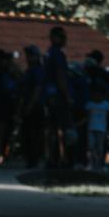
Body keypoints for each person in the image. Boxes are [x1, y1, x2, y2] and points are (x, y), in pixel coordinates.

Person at [43, 26, 71, 167]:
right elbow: (61, 77)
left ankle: (51, 157)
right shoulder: (58, 55)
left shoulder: (48, 54)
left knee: (52, 129)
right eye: (62, 37)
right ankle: (61, 158)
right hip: (57, 97)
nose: (65, 40)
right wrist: (66, 96)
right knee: (62, 129)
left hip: (49, 96)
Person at [18, 45, 46, 168]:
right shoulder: (29, 70)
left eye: (31, 55)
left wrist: (30, 105)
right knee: (27, 134)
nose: (28, 58)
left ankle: (34, 159)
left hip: (36, 107)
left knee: (34, 134)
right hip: (27, 105)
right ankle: (30, 158)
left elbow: (37, 89)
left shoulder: (37, 70)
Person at [84, 85, 109, 171]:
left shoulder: (106, 105)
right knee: (91, 147)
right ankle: (92, 164)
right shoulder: (90, 104)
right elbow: (87, 117)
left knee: (100, 148)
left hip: (102, 129)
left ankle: (99, 165)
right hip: (91, 129)